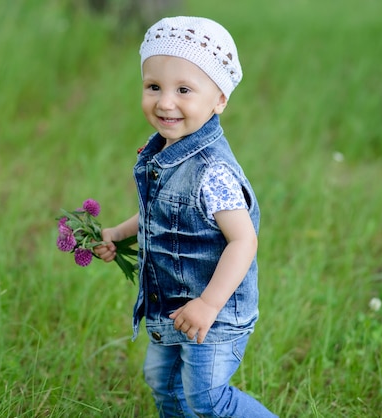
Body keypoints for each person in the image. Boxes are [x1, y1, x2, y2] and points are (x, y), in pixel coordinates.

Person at [94, 16, 276, 417]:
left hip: (215, 313)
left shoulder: (213, 171)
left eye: (184, 90)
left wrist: (209, 304)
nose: (165, 102)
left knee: (207, 399)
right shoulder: (162, 151)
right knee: (163, 384)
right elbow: (161, 217)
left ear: (219, 100)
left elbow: (244, 241)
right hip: (172, 306)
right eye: (153, 87)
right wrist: (118, 234)